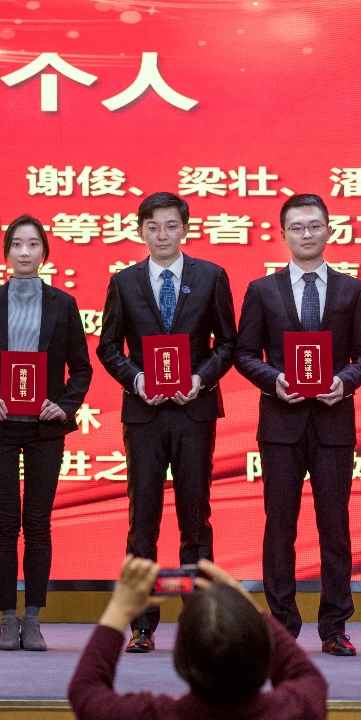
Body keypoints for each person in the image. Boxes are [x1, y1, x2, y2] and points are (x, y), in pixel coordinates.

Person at [234, 193, 361, 656]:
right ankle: (282, 627)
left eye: (315, 225)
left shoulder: (353, 290)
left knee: (335, 528)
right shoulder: (262, 290)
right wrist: (274, 380)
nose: (307, 234)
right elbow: (243, 354)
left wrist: (344, 382)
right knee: (280, 528)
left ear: (329, 230)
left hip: (334, 424)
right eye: (297, 227)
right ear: (283, 235)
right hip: (280, 426)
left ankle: (334, 627)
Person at [96, 191, 236, 653]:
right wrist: (137, 380)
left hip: (194, 411)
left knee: (196, 517)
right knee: (143, 520)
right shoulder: (124, 282)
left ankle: (203, 621)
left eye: (171, 226)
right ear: (141, 231)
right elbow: (108, 347)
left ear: (185, 229)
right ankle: (143, 623)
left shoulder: (211, 277)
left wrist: (200, 379)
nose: (162, 235)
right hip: (145, 415)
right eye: (153, 227)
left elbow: (227, 344)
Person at [0, 215, 92, 651]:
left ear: (44, 253)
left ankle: (33, 619)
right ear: (6, 253)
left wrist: (64, 405)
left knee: (37, 524)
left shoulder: (63, 304)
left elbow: (81, 368)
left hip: (44, 429)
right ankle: (6, 618)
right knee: (4, 524)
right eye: (17, 244)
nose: (25, 252)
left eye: (33, 244)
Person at [67, 556, 328, 720]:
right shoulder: (293, 715)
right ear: (264, 654)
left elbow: (85, 691)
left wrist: (120, 608)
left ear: (181, 660)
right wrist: (251, 607)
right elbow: (308, 677)